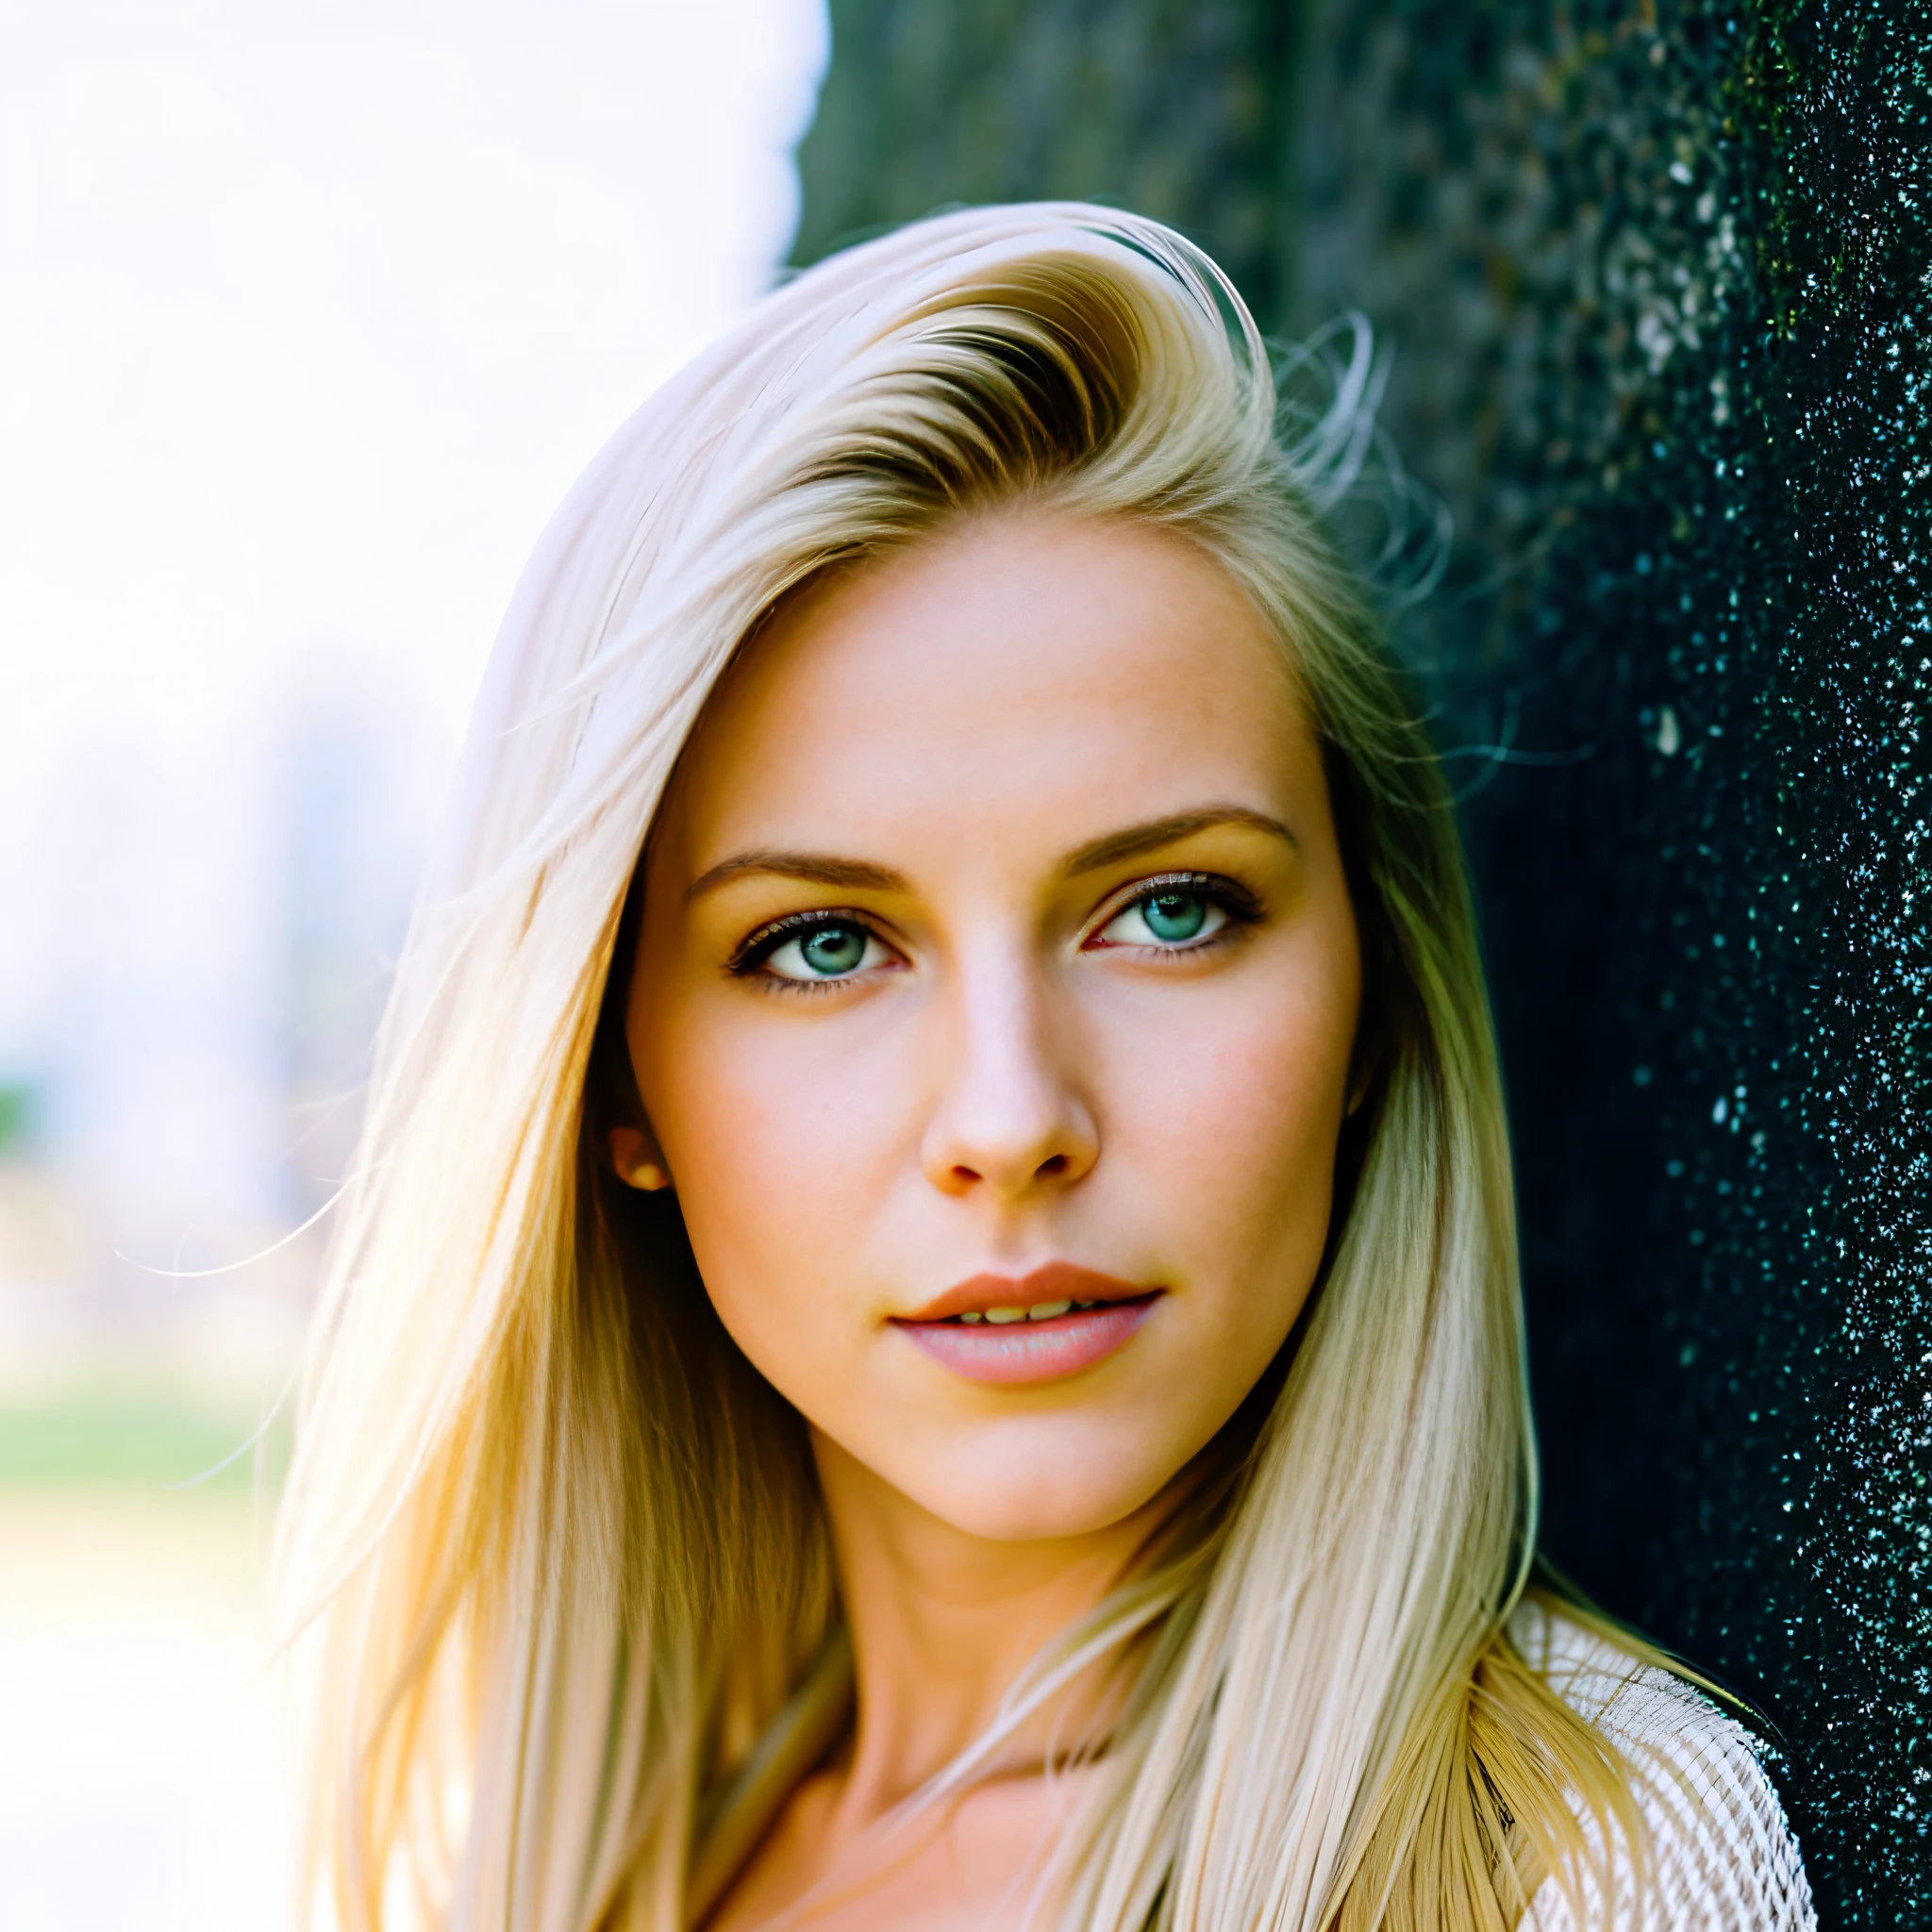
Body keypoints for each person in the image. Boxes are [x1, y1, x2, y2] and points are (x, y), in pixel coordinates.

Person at [271, 205, 1814, 1932]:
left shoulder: (1581, 1860)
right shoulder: (564, 1863)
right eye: (824, 943)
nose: (1011, 1123)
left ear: (1370, 1005)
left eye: (1168, 911)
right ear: (612, 1085)